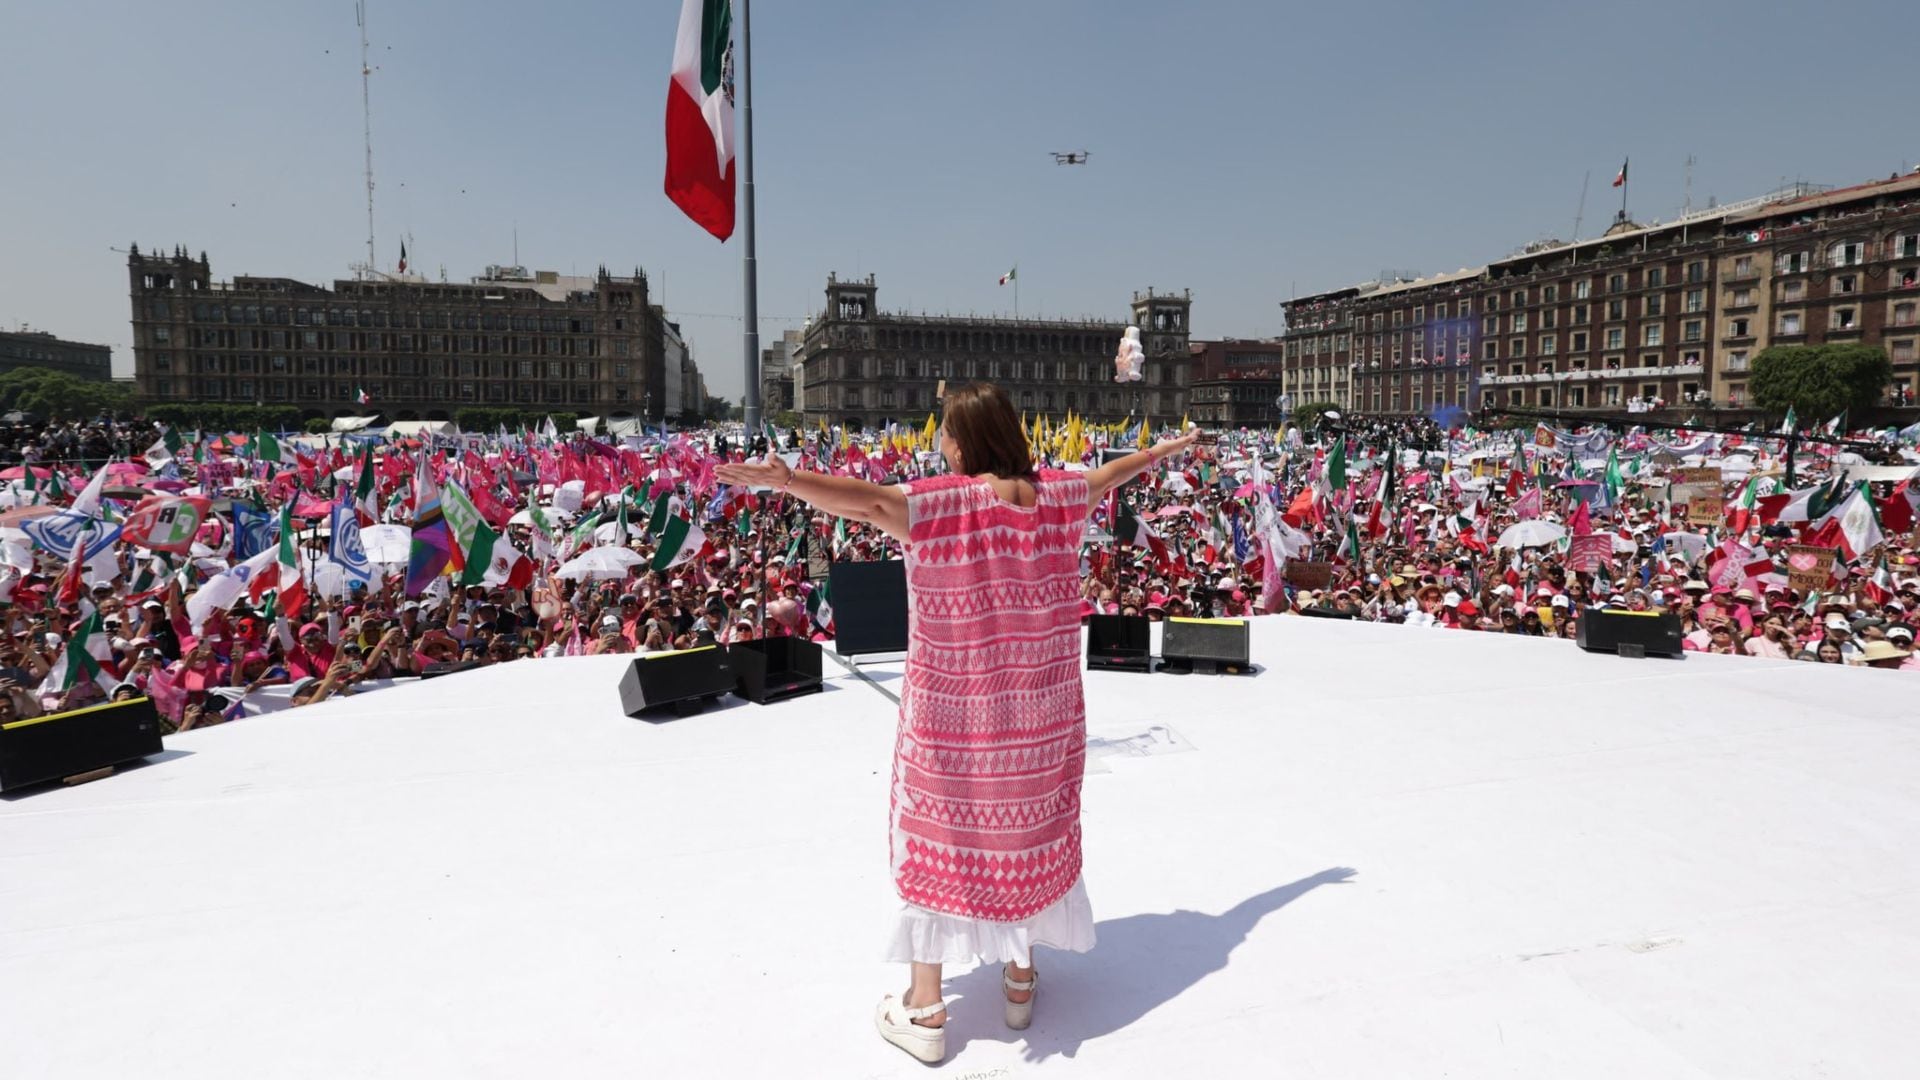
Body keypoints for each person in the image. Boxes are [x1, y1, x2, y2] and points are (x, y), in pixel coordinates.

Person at [717, 381, 1198, 1064]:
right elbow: (1110, 474)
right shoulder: (1060, 498)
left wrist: (789, 480)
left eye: (944, 429)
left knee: (938, 846)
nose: (938, 440)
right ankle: (1021, 981)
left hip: (955, 723)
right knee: (1026, 833)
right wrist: (1165, 450)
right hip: (1039, 723)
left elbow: (868, 500)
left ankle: (925, 1009)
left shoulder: (944, 504)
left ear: (964, 437)